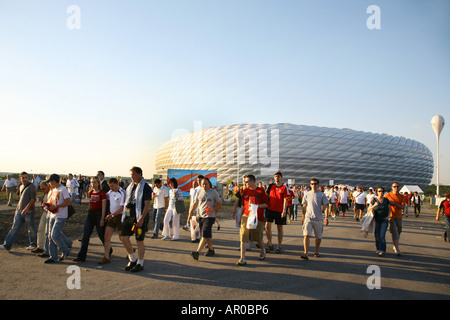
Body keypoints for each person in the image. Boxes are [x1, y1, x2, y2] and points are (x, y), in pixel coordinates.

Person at [121, 166, 152, 272]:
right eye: (131, 175)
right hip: (129, 215)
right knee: (124, 237)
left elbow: (147, 205)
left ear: (139, 174)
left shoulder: (146, 187)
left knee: (139, 240)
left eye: (133, 174)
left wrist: (142, 218)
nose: (132, 177)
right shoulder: (130, 187)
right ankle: (132, 258)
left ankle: (140, 263)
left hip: (140, 216)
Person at [0, 172, 38, 252]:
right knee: (14, 228)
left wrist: (26, 208)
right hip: (19, 211)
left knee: (31, 228)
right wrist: (17, 209)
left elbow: (33, 199)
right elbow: (21, 199)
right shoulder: (20, 186)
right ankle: (7, 245)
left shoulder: (32, 186)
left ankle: (33, 244)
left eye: (26, 177)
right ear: (20, 178)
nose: (24, 179)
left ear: (28, 177)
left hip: (29, 212)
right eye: (23, 177)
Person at [236, 175, 268, 266]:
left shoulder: (261, 191)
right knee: (243, 236)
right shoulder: (245, 191)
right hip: (246, 216)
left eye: (247, 181)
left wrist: (256, 206)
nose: (245, 183)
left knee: (257, 237)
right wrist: (240, 216)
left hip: (257, 217)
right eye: (245, 181)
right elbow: (243, 205)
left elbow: (266, 204)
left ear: (252, 181)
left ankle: (263, 250)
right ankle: (242, 258)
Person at [73, 176, 107, 262]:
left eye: (95, 182)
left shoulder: (102, 193)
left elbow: (104, 207)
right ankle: (81, 257)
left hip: (99, 215)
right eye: (92, 182)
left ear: (99, 183)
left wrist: (102, 219)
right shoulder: (91, 192)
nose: (93, 184)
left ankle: (108, 250)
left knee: (101, 235)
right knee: (85, 236)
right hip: (90, 215)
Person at [188, 177, 222, 260]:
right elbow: (195, 203)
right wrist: (190, 214)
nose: (204, 185)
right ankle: (211, 249)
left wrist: (213, 209)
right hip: (201, 216)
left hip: (210, 217)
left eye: (206, 184)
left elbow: (220, 204)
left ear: (209, 184)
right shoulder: (198, 191)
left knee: (204, 234)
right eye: (203, 184)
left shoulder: (214, 193)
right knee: (207, 235)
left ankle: (197, 252)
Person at [43, 174, 72, 263]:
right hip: (53, 215)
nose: (49, 184)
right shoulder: (54, 190)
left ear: (54, 181)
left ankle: (65, 250)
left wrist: (56, 206)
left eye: (50, 182)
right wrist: (48, 206)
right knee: (50, 236)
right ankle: (53, 256)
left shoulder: (63, 189)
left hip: (61, 215)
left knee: (54, 235)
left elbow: (68, 202)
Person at [98, 178, 126, 264]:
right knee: (107, 237)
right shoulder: (110, 192)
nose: (111, 188)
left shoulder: (123, 193)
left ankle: (130, 250)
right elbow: (104, 196)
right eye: (110, 186)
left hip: (120, 217)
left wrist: (112, 215)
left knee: (122, 238)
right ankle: (106, 257)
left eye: (112, 186)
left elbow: (122, 208)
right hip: (111, 217)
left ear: (117, 184)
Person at [300, 178, 329, 260]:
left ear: (318, 185)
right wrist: (303, 217)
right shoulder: (307, 194)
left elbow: (326, 207)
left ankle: (316, 251)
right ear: (310, 185)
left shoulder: (322, 194)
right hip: (308, 218)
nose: (314, 185)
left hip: (318, 219)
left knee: (318, 237)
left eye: (315, 184)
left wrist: (326, 218)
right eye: (312, 184)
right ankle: (305, 253)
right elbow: (304, 206)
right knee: (306, 235)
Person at [265, 171, 289, 253]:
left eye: (278, 176)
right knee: (267, 226)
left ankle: (279, 245)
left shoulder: (284, 187)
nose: (277, 178)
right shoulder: (271, 186)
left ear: (281, 178)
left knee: (279, 228)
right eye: (275, 176)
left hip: (279, 210)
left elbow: (285, 200)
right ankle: (270, 243)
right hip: (270, 209)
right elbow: (266, 195)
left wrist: (284, 210)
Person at [368, 187, 391, 256]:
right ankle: (378, 249)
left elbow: (389, 209)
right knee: (377, 235)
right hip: (376, 220)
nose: (381, 192)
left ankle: (382, 250)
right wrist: (374, 205)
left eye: (382, 191)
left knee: (382, 235)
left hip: (384, 220)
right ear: (376, 192)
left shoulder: (386, 200)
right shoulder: (374, 200)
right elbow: (369, 209)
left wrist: (388, 216)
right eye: (379, 191)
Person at [384, 182, 405, 256]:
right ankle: (397, 248)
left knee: (399, 231)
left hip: (399, 217)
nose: (396, 188)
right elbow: (383, 204)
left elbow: (403, 207)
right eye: (394, 186)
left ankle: (395, 244)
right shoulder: (387, 195)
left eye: (397, 186)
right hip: (391, 217)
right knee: (394, 233)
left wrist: (395, 204)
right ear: (392, 187)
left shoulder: (402, 196)